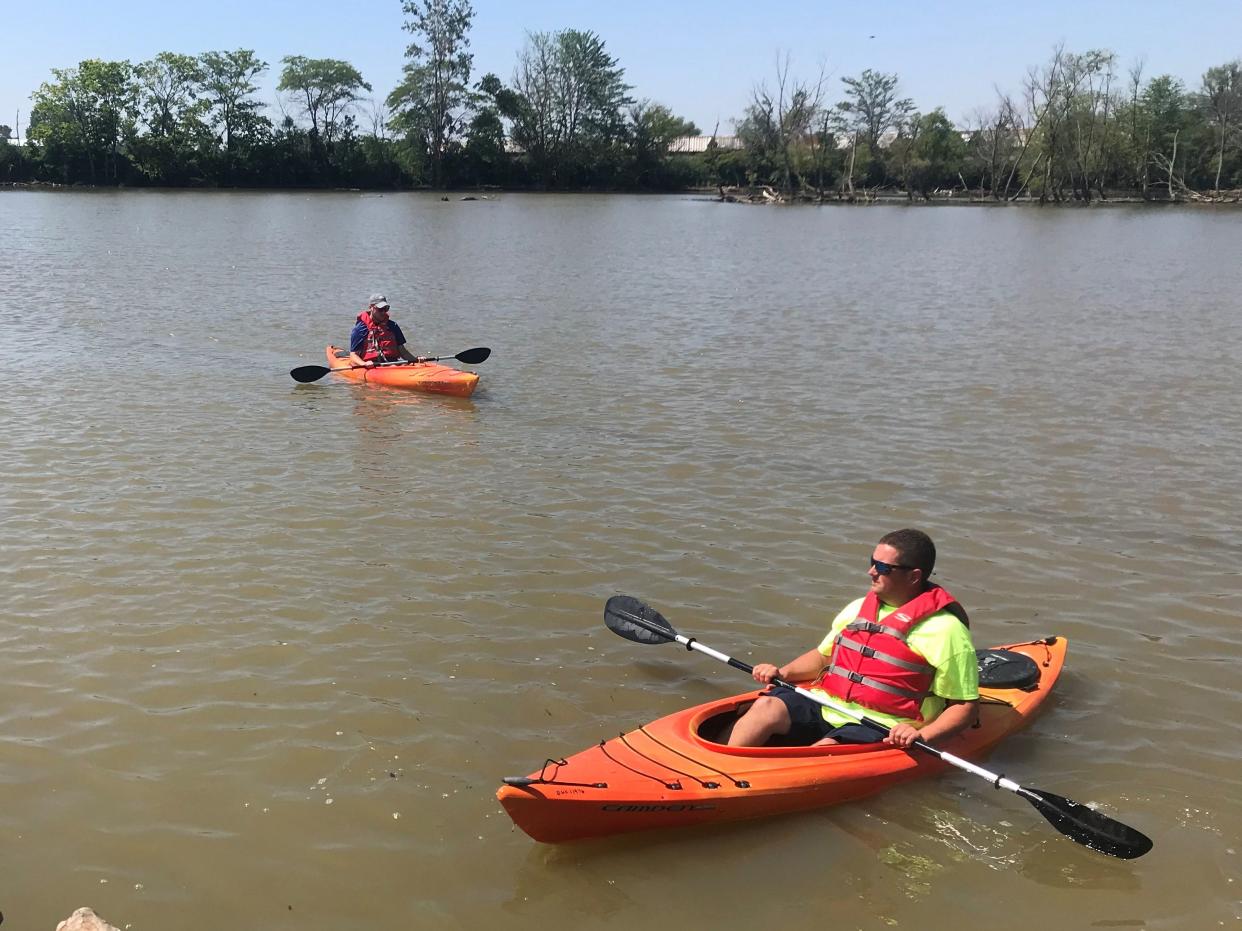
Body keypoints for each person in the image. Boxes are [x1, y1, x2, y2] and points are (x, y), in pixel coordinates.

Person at [727, 529, 978, 749]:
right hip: (827, 703)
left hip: (884, 724)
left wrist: (922, 736)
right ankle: (725, 765)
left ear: (913, 576)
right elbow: (823, 657)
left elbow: (964, 707)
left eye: (882, 568)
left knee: (824, 749)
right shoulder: (857, 608)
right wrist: (784, 672)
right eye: (872, 562)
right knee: (765, 708)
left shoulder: (946, 630)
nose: (871, 572)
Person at [348, 293, 426, 368]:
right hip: (372, 366)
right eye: (380, 309)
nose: (383, 312)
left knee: (396, 366)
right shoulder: (360, 329)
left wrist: (416, 360)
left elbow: (403, 351)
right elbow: (353, 355)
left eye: (385, 309)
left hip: (392, 363)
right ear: (371, 307)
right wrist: (363, 363)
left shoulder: (393, 326)